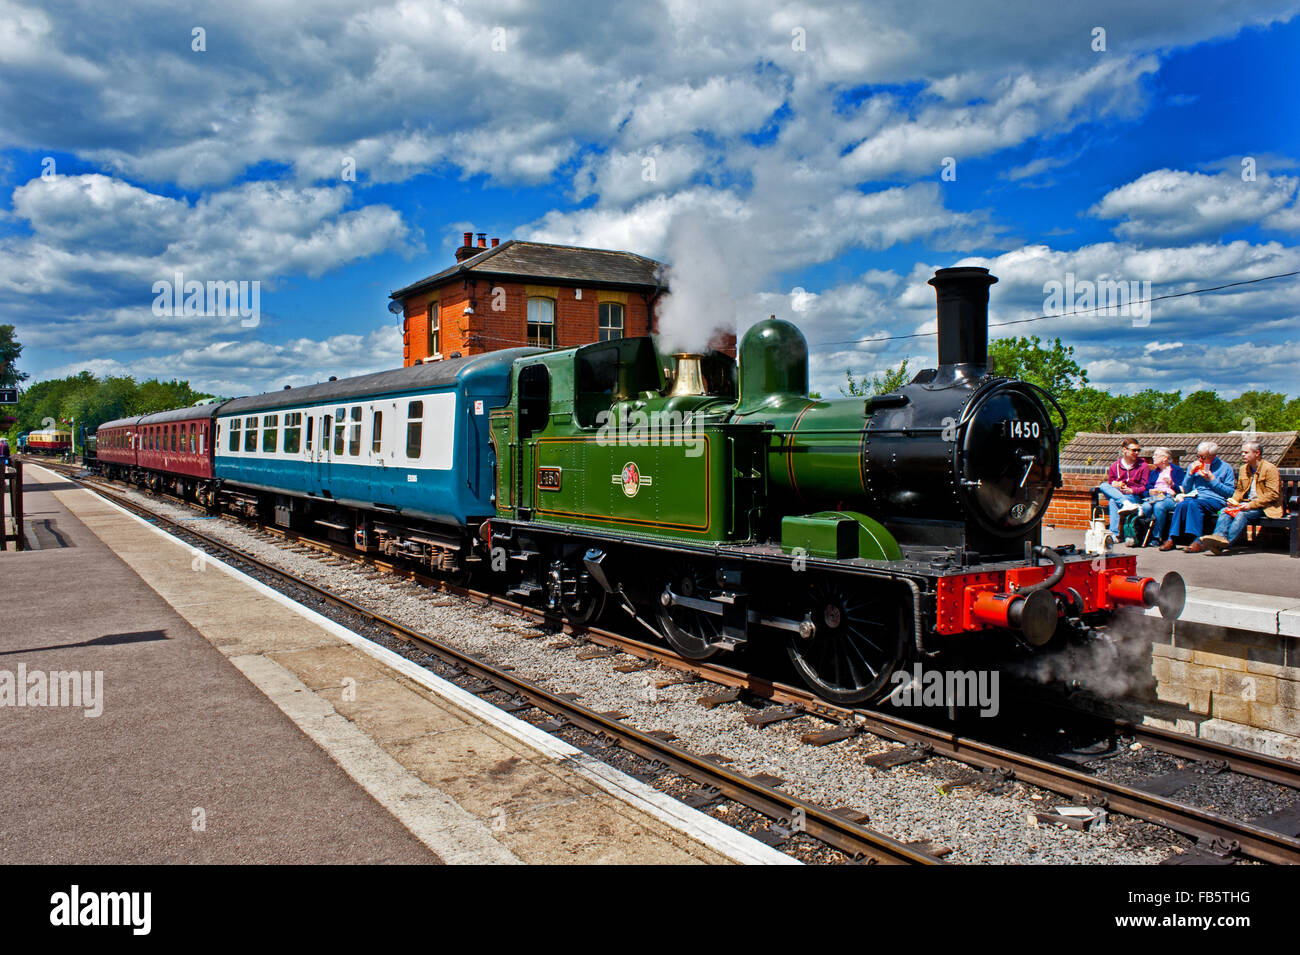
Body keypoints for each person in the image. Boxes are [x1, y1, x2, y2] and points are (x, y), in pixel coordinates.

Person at [1199, 440, 1283, 554]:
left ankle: (1224, 543)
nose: (1243, 455)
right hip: (1246, 503)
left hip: (1265, 507)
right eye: (1242, 452)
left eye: (1246, 452)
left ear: (1257, 453)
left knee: (1242, 514)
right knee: (1225, 510)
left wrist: (1251, 505)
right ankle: (1217, 537)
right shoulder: (1244, 468)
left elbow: (1273, 494)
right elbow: (1239, 490)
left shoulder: (1270, 469)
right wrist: (1234, 500)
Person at [1161, 440, 1235, 552]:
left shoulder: (1225, 468)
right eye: (1198, 456)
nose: (1200, 459)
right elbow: (1186, 489)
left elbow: (1229, 492)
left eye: (1203, 457)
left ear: (1213, 456)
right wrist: (1190, 474)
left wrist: (1212, 480)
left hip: (1215, 499)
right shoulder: (1194, 465)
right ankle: (1172, 538)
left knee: (1193, 503)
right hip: (1195, 497)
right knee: (1182, 504)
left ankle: (1197, 540)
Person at [1096, 438, 1149, 542]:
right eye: (1134, 450)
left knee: (1112, 501)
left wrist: (1132, 490)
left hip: (1133, 497)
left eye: (1138, 450)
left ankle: (1114, 534)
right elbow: (1111, 484)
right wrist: (1114, 484)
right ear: (1125, 450)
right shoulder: (1114, 466)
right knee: (1103, 485)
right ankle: (1125, 503)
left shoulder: (1143, 466)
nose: (1137, 453)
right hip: (1119, 494)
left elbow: (1144, 487)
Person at [1138, 447, 1184, 547]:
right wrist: (1150, 491)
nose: (1153, 457)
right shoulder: (1154, 473)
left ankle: (1157, 537)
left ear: (1165, 458)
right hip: (1156, 496)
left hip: (1170, 497)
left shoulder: (1177, 471)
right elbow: (1146, 489)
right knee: (1146, 507)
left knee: (1159, 506)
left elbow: (1183, 490)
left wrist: (1172, 484)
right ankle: (1149, 530)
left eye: (1156, 455)